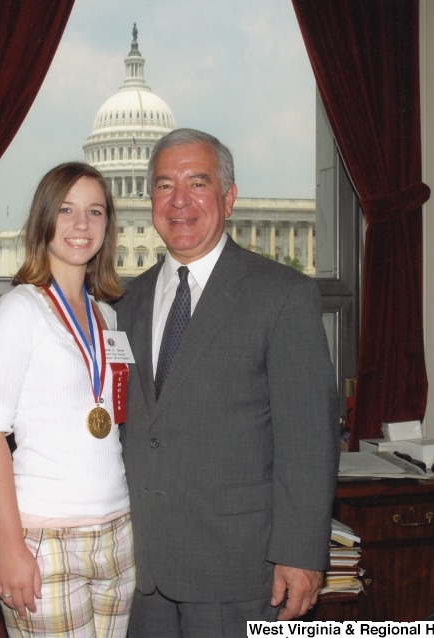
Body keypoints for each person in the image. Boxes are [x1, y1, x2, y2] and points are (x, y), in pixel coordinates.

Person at [115, 128, 340, 635]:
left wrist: (301, 553)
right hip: (140, 571)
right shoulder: (126, 303)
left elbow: (308, 440)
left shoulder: (283, 295)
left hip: (239, 571)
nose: (179, 201)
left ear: (229, 197)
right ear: (150, 198)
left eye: (198, 183)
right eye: (165, 185)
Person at [0, 162, 135, 637]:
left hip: (119, 537)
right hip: (46, 541)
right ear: (44, 219)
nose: (82, 225)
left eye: (95, 211)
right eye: (66, 210)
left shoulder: (107, 317)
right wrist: (11, 547)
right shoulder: (18, 310)